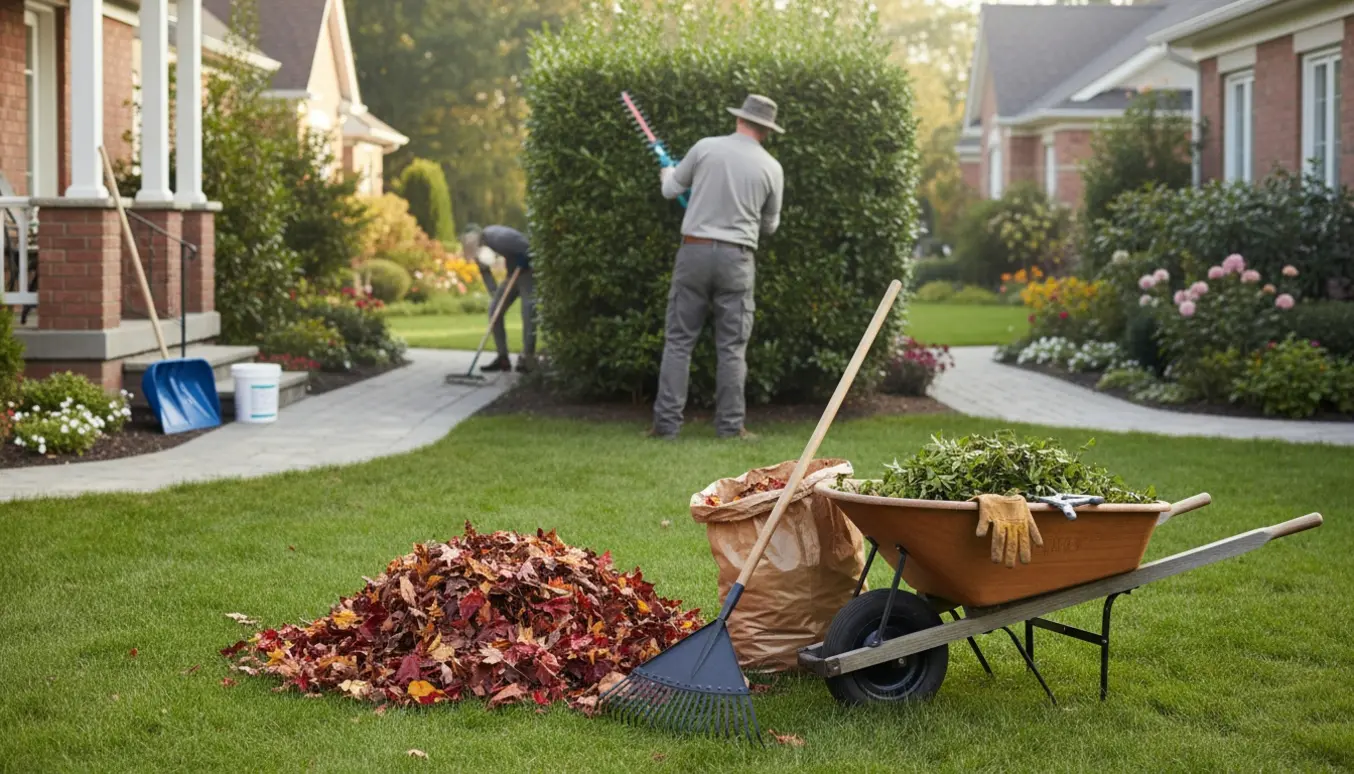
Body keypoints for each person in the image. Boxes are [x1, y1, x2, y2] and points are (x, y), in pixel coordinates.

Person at [649, 94, 784, 440]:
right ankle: (729, 428)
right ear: (767, 130)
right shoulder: (772, 168)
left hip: (693, 251)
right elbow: (769, 227)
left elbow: (670, 190)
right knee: (732, 347)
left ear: (740, 119)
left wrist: (667, 171)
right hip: (737, 259)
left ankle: (666, 427)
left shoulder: (705, 148)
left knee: (679, 341)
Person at [460, 224, 536, 373]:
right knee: (494, 311)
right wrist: (496, 295)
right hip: (512, 273)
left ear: (478, 241)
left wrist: (524, 258)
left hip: (528, 272)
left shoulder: (497, 237)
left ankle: (527, 357)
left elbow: (529, 248)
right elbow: (486, 274)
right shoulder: (479, 251)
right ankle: (503, 358)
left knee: (528, 312)